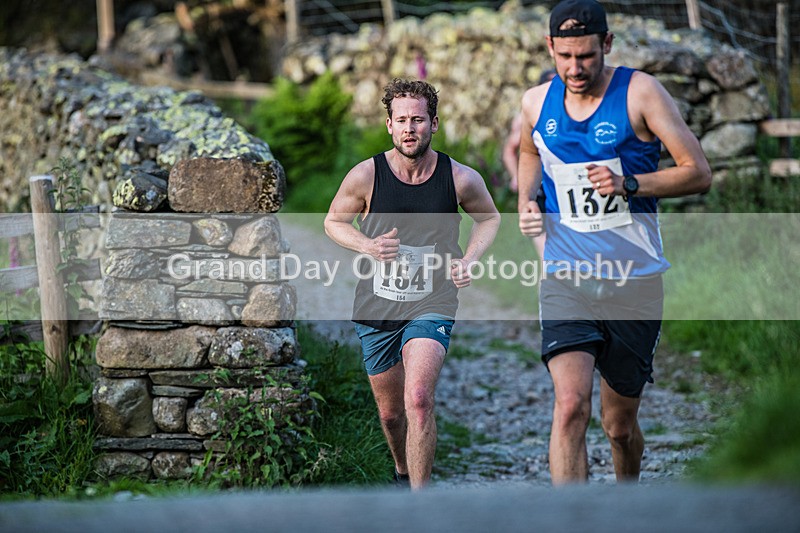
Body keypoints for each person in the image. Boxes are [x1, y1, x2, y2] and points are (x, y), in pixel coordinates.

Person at [516, 0, 711, 484]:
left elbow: (698, 173)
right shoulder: (535, 102)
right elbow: (526, 148)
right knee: (569, 407)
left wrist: (630, 185)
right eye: (564, 57)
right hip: (567, 277)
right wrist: (526, 200)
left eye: (585, 56)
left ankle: (627, 499)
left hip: (634, 282)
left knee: (618, 426)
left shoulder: (640, 93)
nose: (574, 68)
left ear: (606, 44)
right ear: (550, 48)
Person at [325, 78, 500, 490]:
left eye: (418, 120)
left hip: (433, 300)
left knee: (418, 399)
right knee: (391, 415)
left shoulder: (459, 178)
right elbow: (333, 221)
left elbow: (489, 218)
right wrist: (368, 246)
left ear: (433, 123)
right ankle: (402, 474)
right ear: (389, 125)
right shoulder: (366, 175)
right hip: (377, 305)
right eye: (401, 120)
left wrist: (469, 259)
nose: (409, 128)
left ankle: (422, 509)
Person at [502, 68, 556, 260]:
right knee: (545, 250)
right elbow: (510, 150)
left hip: (560, 188)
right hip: (538, 188)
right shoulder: (528, 114)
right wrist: (518, 177)